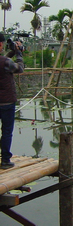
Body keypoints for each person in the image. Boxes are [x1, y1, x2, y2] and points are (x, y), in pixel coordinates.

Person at [0, 34, 24, 169]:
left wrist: (13, 52)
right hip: (6, 103)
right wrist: (19, 54)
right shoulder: (5, 62)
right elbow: (19, 68)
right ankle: (5, 160)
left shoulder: (5, 61)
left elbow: (5, 61)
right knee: (7, 132)